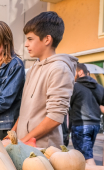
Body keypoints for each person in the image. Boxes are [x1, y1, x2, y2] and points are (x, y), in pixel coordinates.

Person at [9, 12, 78, 148]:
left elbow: (55, 118)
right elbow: (25, 111)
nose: (26, 44)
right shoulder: (34, 67)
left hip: (43, 150)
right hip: (24, 146)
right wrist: (13, 132)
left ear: (47, 39)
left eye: (30, 39)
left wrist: (23, 142)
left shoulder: (59, 69)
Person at [70, 63, 104, 165]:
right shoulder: (99, 87)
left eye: (73, 72)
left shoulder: (75, 87)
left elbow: (67, 104)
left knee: (86, 158)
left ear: (80, 72)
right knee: (86, 154)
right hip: (95, 125)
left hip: (81, 125)